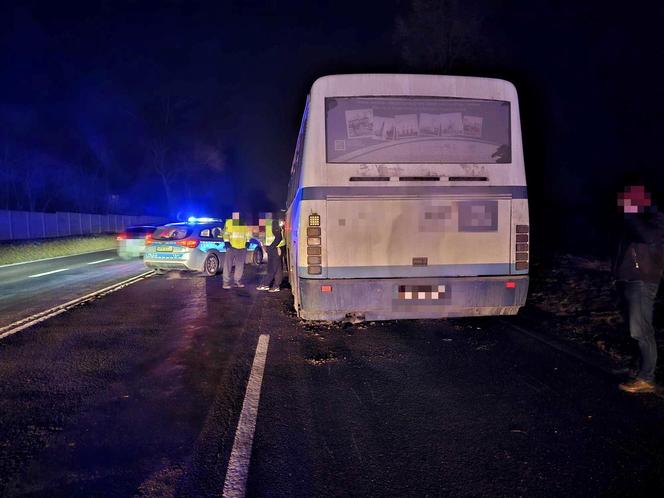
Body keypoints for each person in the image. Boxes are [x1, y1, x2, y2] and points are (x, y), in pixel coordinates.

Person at [613, 185, 664, 393]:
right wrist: (615, 275)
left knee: (641, 330)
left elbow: (649, 238)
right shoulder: (634, 221)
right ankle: (637, 369)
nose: (625, 201)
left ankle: (647, 378)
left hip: (643, 281)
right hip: (629, 280)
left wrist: (631, 215)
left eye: (630, 198)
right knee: (633, 328)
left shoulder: (656, 218)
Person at [222, 212, 250, 289]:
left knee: (240, 266)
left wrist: (247, 242)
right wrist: (227, 243)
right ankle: (226, 283)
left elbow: (248, 233)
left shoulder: (243, 223)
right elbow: (225, 233)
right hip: (231, 246)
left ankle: (237, 281)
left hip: (242, 247)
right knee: (228, 265)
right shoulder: (229, 222)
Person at [257, 217, 285, 292]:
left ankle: (265, 284)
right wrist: (265, 247)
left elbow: (279, 237)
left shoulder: (272, 222)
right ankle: (276, 286)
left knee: (272, 267)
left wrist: (271, 247)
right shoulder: (263, 223)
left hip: (275, 248)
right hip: (273, 248)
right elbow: (263, 238)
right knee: (277, 267)